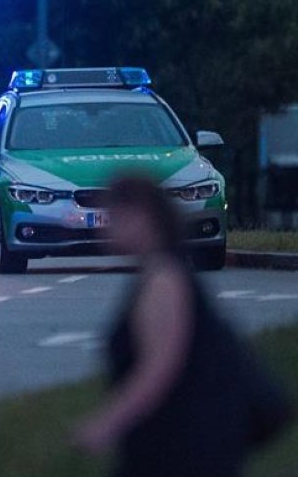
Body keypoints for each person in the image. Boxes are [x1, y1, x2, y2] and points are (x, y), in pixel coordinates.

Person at [74, 174, 292, 477]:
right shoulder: (162, 271)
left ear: (142, 216)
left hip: (182, 446)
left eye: (117, 216)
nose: (108, 227)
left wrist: (107, 424)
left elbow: (160, 366)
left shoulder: (164, 279)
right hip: (179, 442)